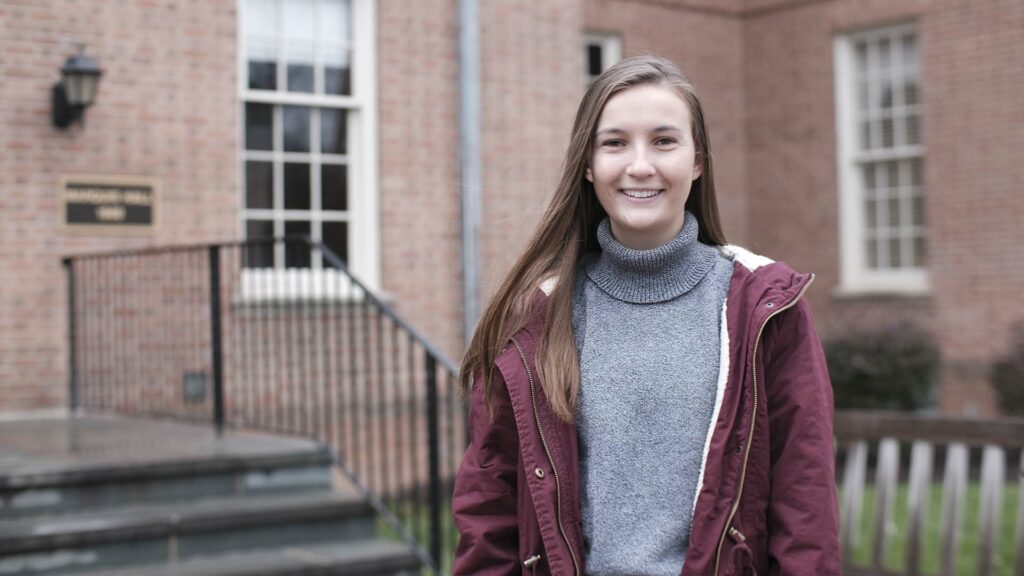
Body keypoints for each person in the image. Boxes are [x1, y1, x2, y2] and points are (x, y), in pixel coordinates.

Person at [452, 55, 840, 576]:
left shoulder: (764, 307)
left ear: (698, 161)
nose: (640, 165)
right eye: (615, 142)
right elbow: (488, 508)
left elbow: (804, 502)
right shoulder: (534, 322)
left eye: (664, 141)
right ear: (587, 165)